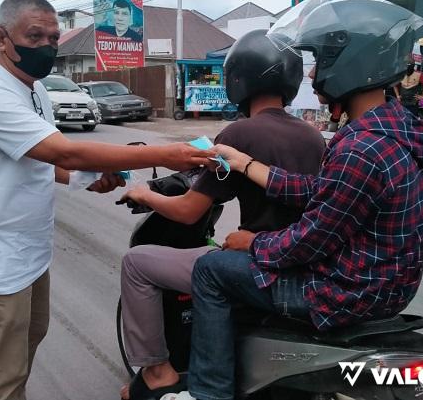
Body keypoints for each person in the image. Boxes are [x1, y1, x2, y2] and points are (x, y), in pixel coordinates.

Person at [163, 0, 423, 400]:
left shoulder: (359, 148)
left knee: (212, 270)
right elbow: (325, 191)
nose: (312, 75)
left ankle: (208, 392)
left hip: (344, 292)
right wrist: (246, 165)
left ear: (349, 65)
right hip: (391, 289)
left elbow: (307, 242)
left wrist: (252, 242)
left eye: (321, 62)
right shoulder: (398, 133)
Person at [0, 0, 212, 400]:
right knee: (3, 378)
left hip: (29, 254)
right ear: (1, 38)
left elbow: (40, 159)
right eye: (34, 36)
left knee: (28, 346)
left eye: (53, 38)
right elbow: (63, 150)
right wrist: (165, 154)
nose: (47, 46)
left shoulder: (32, 90)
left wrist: (91, 178)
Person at [118, 29, 326, 400]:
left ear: (238, 79)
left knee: (137, 262)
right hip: (302, 264)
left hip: (254, 261)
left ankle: (158, 373)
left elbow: (187, 211)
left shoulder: (239, 133)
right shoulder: (314, 136)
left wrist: (145, 194)